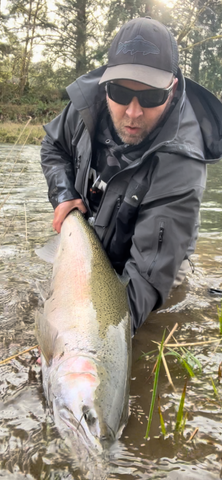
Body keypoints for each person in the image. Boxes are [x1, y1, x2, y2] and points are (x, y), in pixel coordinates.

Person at [40, 17, 222, 335]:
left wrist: (94, 342)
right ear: (105, 84)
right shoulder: (84, 107)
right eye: (121, 93)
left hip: (154, 261)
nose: (134, 112)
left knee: (141, 329)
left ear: (173, 88)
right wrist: (63, 194)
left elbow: (147, 275)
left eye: (151, 97)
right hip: (93, 239)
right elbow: (54, 147)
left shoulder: (183, 162)